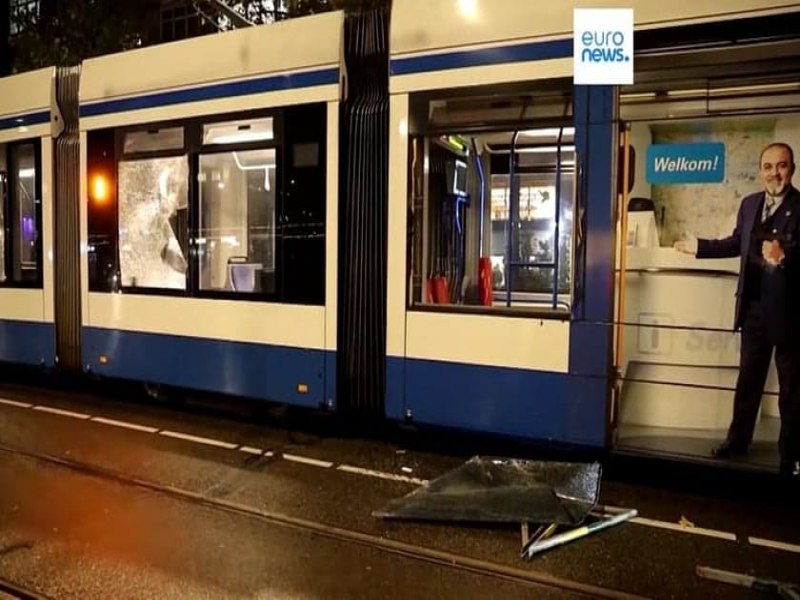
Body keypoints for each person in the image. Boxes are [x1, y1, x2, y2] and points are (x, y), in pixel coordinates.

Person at [674, 142, 800, 478]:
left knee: (792, 390)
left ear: (792, 168)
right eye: (769, 166)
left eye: (782, 165)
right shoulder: (749, 204)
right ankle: (737, 441)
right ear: (761, 170)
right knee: (748, 381)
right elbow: (735, 243)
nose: (775, 172)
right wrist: (698, 247)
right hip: (753, 308)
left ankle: (791, 456)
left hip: (789, 314)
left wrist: (786, 256)